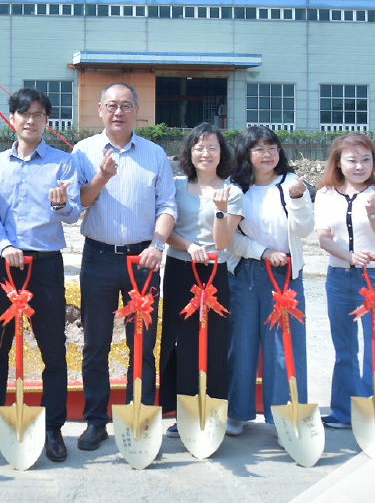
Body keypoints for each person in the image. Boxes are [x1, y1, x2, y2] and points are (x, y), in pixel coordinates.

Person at [0, 88, 80, 463]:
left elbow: (73, 215)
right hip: (5, 262)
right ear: (12, 119)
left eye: (38, 114)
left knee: (53, 348)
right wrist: (4, 246)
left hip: (46, 264)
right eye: (24, 113)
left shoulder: (62, 163)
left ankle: (53, 427)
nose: (31, 120)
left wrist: (63, 204)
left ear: (47, 121)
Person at [72, 82, 177, 451]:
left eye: (126, 105)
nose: (119, 112)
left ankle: (141, 416)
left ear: (137, 110)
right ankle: (96, 420)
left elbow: (168, 206)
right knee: (95, 344)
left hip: (143, 260)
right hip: (98, 257)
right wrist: (102, 176)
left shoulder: (155, 155)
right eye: (112, 105)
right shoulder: (83, 152)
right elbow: (78, 204)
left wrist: (157, 245)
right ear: (100, 109)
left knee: (143, 343)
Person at [225, 126, 313, 437]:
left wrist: (300, 200)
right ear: (246, 154)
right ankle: (238, 412)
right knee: (242, 343)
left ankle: (284, 415)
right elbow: (229, 238)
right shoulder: (236, 187)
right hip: (247, 271)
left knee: (284, 346)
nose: (267, 154)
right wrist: (262, 252)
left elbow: (304, 230)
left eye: (272, 147)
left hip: (286, 273)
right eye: (259, 149)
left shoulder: (291, 184)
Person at [158, 123, 242, 437]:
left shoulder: (232, 190)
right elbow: (165, 229)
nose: (205, 153)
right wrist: (188, 245)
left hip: (215, 271)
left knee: (215, 342)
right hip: (181, 269)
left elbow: (222, 243)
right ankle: (185, 413)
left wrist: (220, 211)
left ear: (222, 153)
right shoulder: (177, 186)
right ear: (189, 152)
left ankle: (214, 412)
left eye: (212, 148)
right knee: (183, 342)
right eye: (199, 147)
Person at [314, 133, 375, 429]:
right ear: (338, 162)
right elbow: (323, 239)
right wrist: (349, 256)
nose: (359, 166)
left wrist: (372, 209)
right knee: (344, 348)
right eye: (352, 160)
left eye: (366, 159)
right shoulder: (325, 194)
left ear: (374, 161)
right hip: (338, 277)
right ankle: (344, 413)